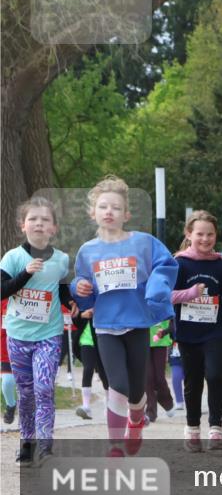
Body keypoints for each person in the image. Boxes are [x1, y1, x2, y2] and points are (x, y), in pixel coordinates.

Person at [71, 178, 177, 457]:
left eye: (116, 207)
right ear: (92, 212)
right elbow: (82, 282)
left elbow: (166, 265)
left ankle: (136, 421)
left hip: (138, 323)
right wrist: (79, 288)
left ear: (126, 214)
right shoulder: (87, 250)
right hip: (105, 325)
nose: (109, 211)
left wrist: (156, 287)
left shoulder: (143, 243)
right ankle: (115, 445)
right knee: (116, 384)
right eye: (103, 206)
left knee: (136, 391)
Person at [2, 197, 76, 462]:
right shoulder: (13, 257)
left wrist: (72, 303)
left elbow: (64, 289)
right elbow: (2, 291)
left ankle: (45, 447)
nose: (39, 224)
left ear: (53, 228)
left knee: (44, 388)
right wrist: (25, 274)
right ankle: (27, 443)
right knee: (26, 392)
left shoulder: (61, 259)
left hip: (49, 335)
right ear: (23, 225)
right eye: (33, 219)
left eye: (45, 220)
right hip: (18, 335)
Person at [171, 210, 222, 452]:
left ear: (216, 236)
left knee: (214, 374)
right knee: (192, 379)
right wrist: (190, 293)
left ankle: (215, 427)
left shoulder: (220, 265)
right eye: (200, 234)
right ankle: (192, 429)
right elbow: (166, 296)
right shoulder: (179, 263)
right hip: (188, 332)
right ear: (189, 234)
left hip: (214, 330)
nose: (205, 239)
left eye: (210, 234)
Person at [74, 308, 109, 419]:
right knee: (88, 369)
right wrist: (81, 315)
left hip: (102, 339)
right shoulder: (82, 298)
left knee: (104, 374)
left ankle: (109, 404)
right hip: (86, 340)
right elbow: (75, 318)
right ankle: (86, 406)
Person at [146, 319, 175, 422]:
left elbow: (172, 317)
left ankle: (167, 401)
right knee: (148, 378)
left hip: (160, 338)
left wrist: (166, 330)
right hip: (142, 337)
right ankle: (150, 412)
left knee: (159, 378)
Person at [1, 299, 17, 425]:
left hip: (30, 343)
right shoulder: (3, 298)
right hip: (6, 345)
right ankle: (11, 405)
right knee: (7, 382)